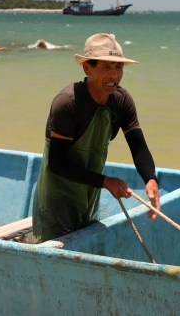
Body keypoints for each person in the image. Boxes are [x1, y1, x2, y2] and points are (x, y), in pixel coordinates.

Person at [32, 33, 161, 243]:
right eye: (106, 67)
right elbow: (57, 163)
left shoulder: (122, 101)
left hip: (90, 195)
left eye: (118, 67)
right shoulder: (68, 103)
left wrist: (151, 179)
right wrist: (105, 181)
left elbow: (137, 145)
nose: (114, 75)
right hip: (56, 198)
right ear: (87, 68)